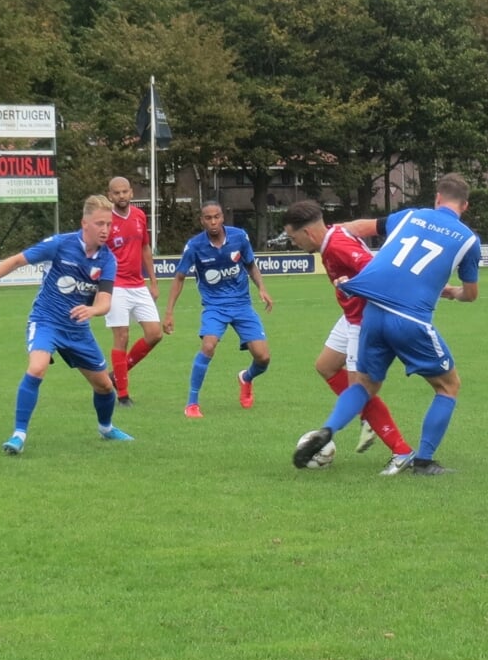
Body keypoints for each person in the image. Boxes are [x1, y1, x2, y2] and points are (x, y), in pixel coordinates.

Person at [292, 174, 482, 476]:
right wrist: (453, 292)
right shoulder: (469, 240)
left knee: (365, 385)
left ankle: (327, 429)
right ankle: (423, 462)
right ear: (465, 206)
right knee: (448, 386)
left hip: (373, 313)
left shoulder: (410, 216)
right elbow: (471, 294)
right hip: (410, 318)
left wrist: (335, 230)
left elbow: (362, 227)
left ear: (436, 199)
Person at [0, 194, 134, 454]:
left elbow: (105, 301)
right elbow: (17, 260)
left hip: (77, 329)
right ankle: (18, 435)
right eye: (100, 224)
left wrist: (93, 309)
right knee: (37, 368)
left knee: (104, 386)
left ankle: (106, 428)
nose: (106, 230)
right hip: (46, 321)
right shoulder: (61, 244)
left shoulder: (107, 259)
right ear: (84, 223)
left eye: (109, 225)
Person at [281, 199, 419, 475]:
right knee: (326, 366)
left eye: (292, 237)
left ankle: (402, 451)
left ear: (307, 233)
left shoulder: (337, 245)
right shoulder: (331, 237)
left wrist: (355, 287)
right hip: (350, 316)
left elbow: (379, 272)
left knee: (361, 390)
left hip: (365, 321)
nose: (292, 243)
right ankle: (364, 412)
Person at [164, 200, 274, 417]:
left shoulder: (239, 237)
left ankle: (246, 378)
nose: (213, 222)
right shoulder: (194, 246)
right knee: (208, 345)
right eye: (208, 218)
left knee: (263, 358)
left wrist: (262, 288)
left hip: (242, 304)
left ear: (223, 217)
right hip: (215, 306)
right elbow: (179, 278)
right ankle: (192, 403)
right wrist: (169, 312)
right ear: (201, 220)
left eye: (216, 217)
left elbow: (250, 265)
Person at [103, 176, 162, 407]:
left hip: (137, 284)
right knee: (122, 336)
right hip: (115, 285)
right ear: (110, 195)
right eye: (116, 193)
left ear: (132, 193)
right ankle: (123, 394)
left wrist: (154, 282)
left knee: (155, 334)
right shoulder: (105, 220)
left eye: (125, 191)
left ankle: (116, 375)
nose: (121, 196)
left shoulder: (139, 216)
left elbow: (145, 247)